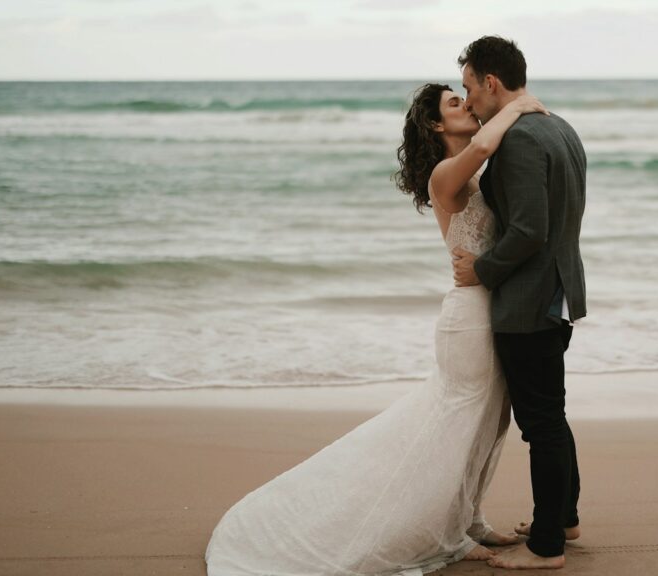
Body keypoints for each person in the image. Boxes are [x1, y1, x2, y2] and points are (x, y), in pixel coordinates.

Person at [203, 83, 548, 575]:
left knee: (492, 421)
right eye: (455, 104)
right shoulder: (445, 174)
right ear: (434, 125)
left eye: (465, 99)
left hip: (494, 307)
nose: (467, 106)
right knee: (461, 423)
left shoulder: (481, 175)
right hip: (468, 316)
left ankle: (470, 518)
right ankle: (447, 531)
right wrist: (517, 104)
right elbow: (483, 145)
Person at [451, 35, 588, 570]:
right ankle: (566, 517)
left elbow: (529, 229)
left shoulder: (520, 139)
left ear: (491, 82)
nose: (468, 101)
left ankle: (548, 545)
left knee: (542, 425)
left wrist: (481, 269)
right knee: (551, 416)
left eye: (469, 88)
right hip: (560, 293)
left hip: (530, 303)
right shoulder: (561, 127)